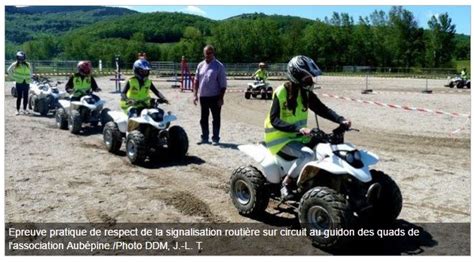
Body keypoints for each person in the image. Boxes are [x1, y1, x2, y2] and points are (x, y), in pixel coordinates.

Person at [264, 55, 351, 200]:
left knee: (325, 148)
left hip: (298, 136)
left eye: (311, 78)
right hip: (279, 138)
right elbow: (274, 120)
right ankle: (286, 184)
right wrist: (299, 129)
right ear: (296, 76)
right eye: (307, 78)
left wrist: (341, 120)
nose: (311, 81)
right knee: (308, 155)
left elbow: (322, 109)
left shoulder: (305, 93)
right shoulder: (282, 91)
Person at [193, 45, 227, 145]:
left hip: (215, 96)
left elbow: (223, 84)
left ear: (213, 53)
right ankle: (204, 138)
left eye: (210, 53)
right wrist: (195, 95)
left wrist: (221, 98)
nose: (208, 55)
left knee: (216, 118)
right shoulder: (200, 65)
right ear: (204, 53)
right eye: (206, 53)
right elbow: (196, 81)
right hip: (203, 96)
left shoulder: (218, 66)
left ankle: (215, 138)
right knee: (203, 119)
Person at [7, 51, 32, 115]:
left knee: (26, 96)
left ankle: (25, 109)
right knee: (19, 97)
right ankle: (17, 110)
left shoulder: (28, 64)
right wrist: (13, 77)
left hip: (26, 82)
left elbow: (31, 72)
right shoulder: (15, 64)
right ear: (17, 57)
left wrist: (30, 78)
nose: (21, 59)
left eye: (22, 57)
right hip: (19, 82)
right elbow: (8, 70)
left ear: (24, 57)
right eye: (19, 57)